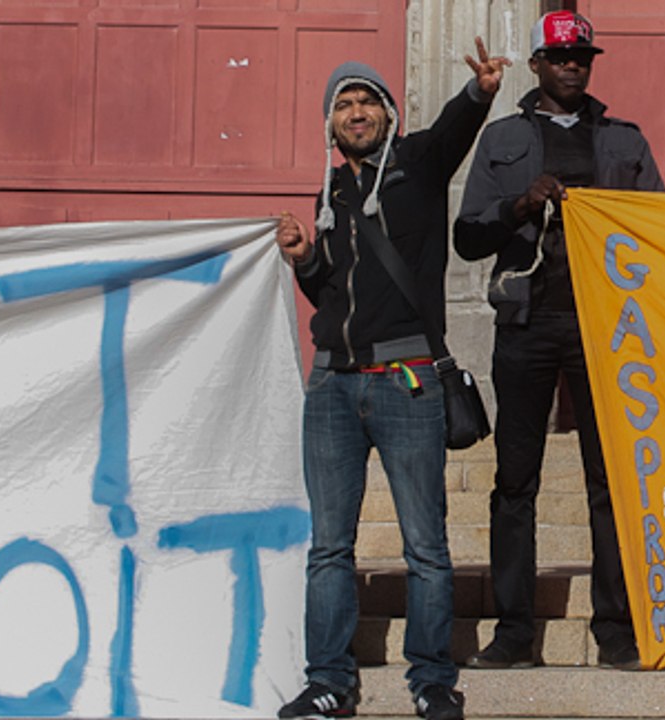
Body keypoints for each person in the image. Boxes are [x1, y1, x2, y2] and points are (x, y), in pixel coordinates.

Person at [274, 40, 510, 720]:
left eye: (367, 102)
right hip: (333, 386)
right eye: (344, 105)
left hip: (406, 381)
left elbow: (455, 129)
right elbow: (331, 297)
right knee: (329, 549)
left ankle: (432, 681)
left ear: (388, 113)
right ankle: (329, 681)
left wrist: (481, 91)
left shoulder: (419, 163)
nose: (356, 113)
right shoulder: (330, 193)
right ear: (330, 123)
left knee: (426, 548)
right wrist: (304, 259)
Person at [453, 11, 664, 672]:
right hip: (526, 325)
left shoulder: (625, 141)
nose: (574, 66)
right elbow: (467, 237)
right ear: (538, 64)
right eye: (561, 56)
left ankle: (616, 630)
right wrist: (520, 205)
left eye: (583, 58)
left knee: (610, 482)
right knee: (516, 481)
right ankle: (514, 632)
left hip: (608, 332)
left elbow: (660, 231)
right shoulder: (503, 139)